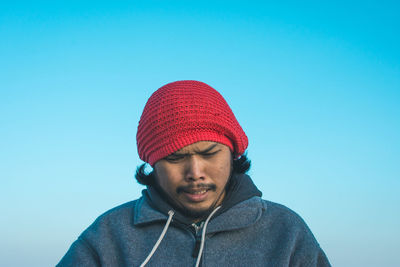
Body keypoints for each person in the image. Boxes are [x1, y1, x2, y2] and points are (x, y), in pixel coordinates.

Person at [57, 80, 330, 266]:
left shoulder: (286, 230)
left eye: (210, 153)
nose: (195, 172)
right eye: (175, 158)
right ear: (153, 164)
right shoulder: (108, 235)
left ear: (233, 154)